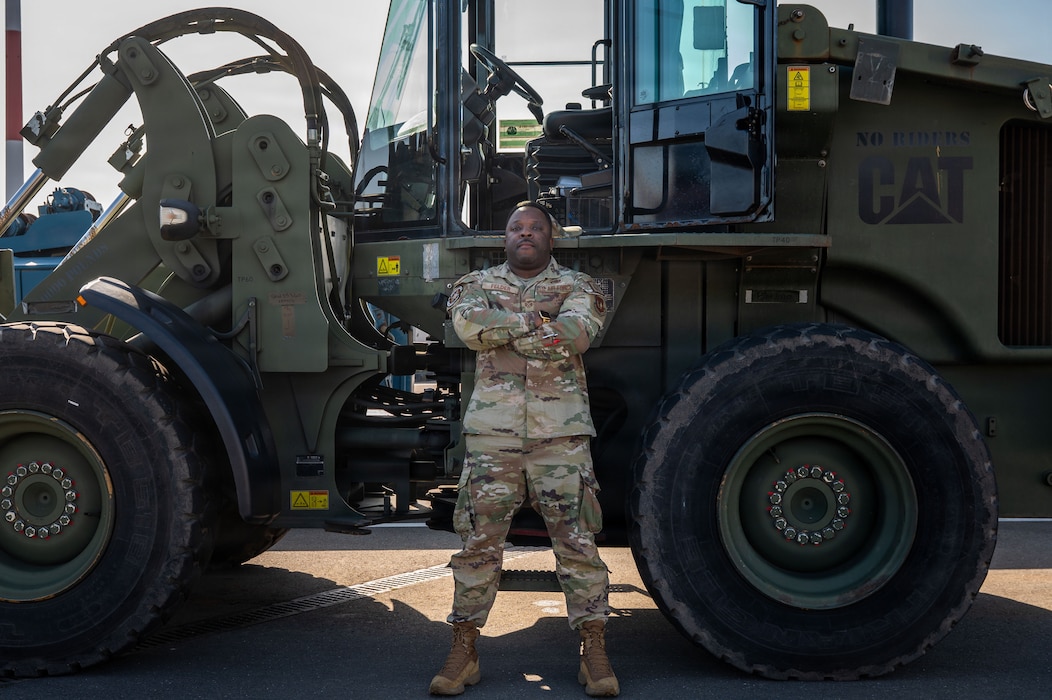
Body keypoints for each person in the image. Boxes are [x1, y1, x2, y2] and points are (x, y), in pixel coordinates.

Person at [430, 202, 617, 697]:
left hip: (561, 436)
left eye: (536, 228)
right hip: (493, 438)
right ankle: (463, 648)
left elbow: (577, 335)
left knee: (578, 546)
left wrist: (507, 327)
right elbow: (470, 330)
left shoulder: (580, 286)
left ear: (551, 238)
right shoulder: (474, 284)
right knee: (477, 548)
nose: (526, 234)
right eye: (517, 227)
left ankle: (594, 651)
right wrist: (539, 322)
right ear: (504, 237)